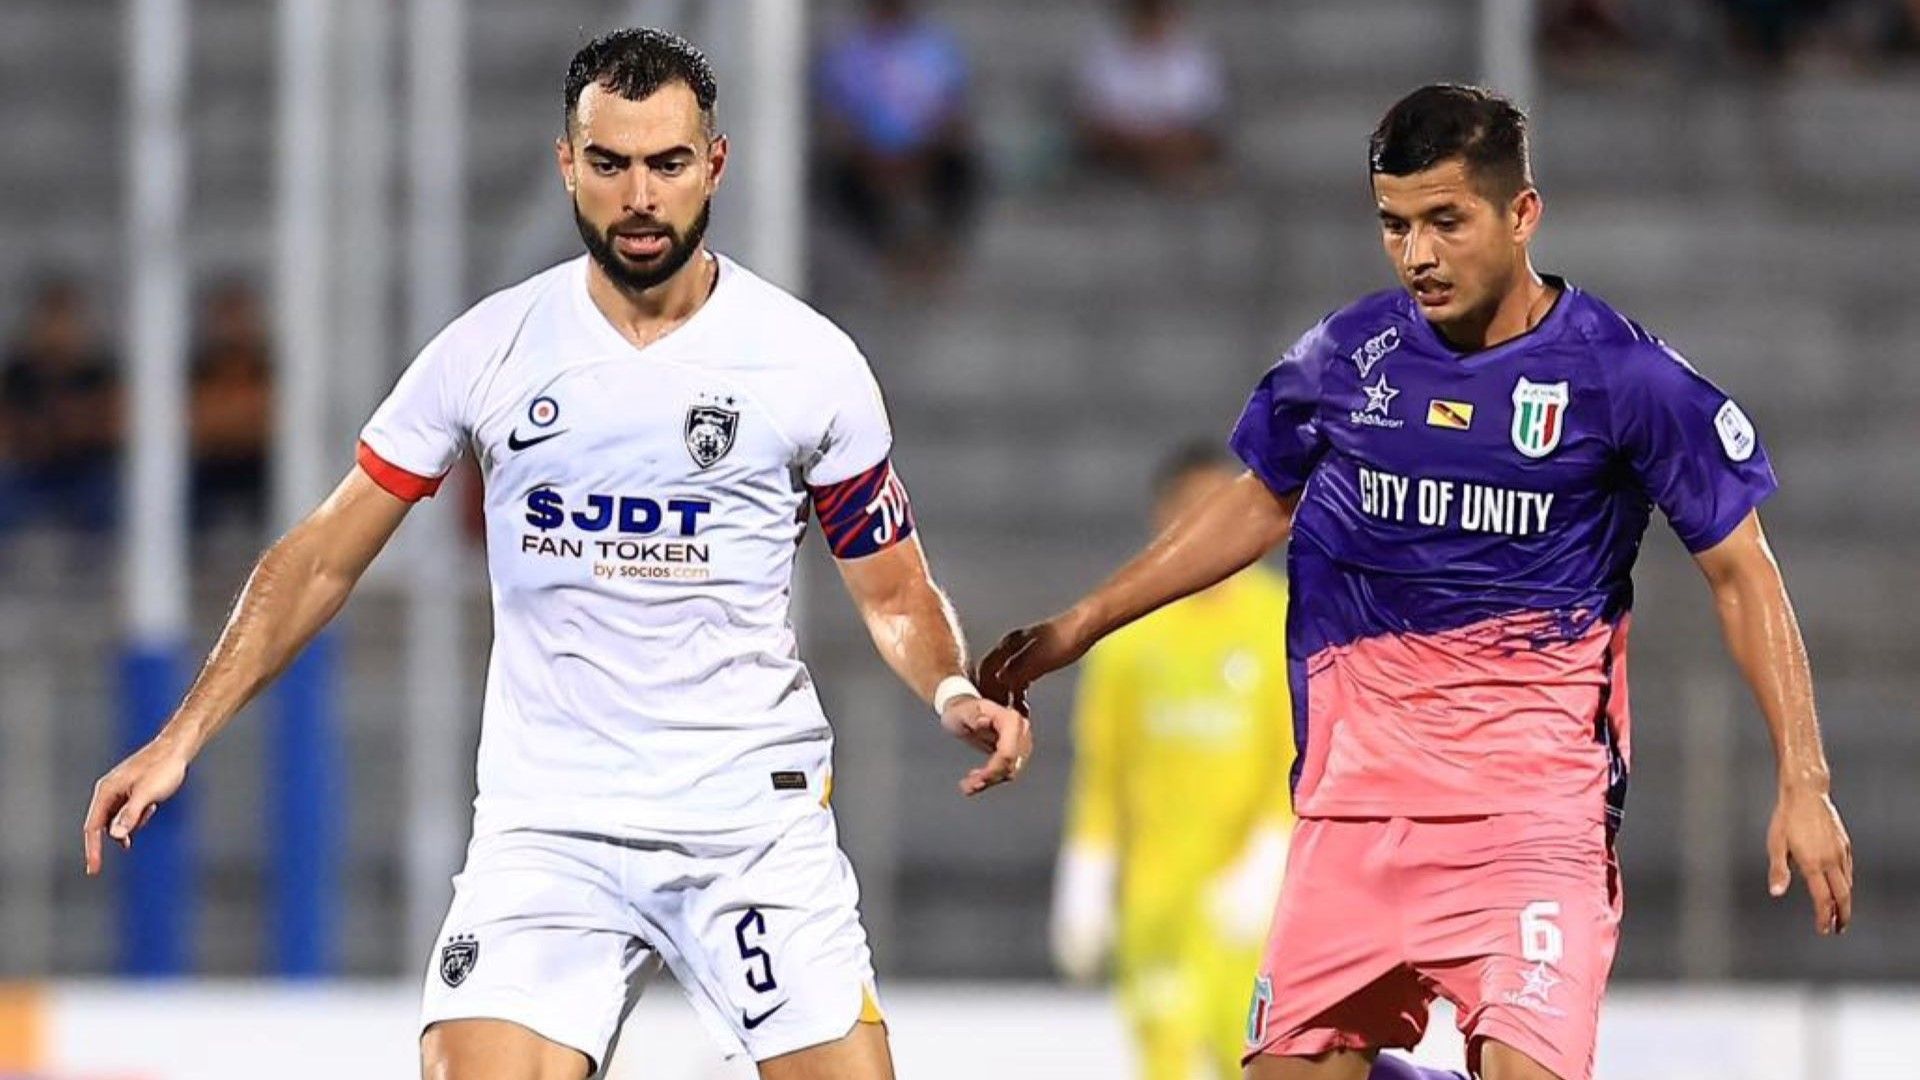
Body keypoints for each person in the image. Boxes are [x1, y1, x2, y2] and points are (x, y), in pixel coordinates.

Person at [83, 28, 1030, 1080]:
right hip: (551, 831)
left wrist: (950, 686)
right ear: (567, 164)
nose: (640, 197)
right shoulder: (488, 349)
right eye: (611, 163)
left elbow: (892, 588)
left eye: (668, 163)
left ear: (715, 164)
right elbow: (318, 558)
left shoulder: (808, 364)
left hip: (747, 828)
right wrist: (180, 735)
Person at [981, 84, 1853, 1080]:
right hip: (1353, 816)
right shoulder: (1349, 358)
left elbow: (1742, 574)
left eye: (1446, 220)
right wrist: (1082, 624)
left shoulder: (1624, 378)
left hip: (1533, 821)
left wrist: (1805, 781)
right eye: (1395, 225)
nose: (1417, 255)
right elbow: (1258, 501)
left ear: (1522, 213)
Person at [1052, 442, 1294, 1080]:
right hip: (1156, 899)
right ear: (1163, 517)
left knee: (1254, 1060)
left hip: (1253, 899)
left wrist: (1267, 860)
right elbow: (1102, 770)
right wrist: (1086, 876)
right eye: (1191, 508)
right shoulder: (1129, 632)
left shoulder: (1279, 620)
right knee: (1165, 1062)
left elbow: (1296, 757)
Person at [816, 0, 980, 273]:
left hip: (926, 149)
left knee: (962, 171)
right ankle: (886, 252)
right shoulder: (850, 52)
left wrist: (922, 150)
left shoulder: (934, 48)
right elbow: (836, 114)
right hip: (866, 154)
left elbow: (953, 109)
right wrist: (870, 152)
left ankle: (939, 248)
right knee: (838, 181)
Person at [0, 277, 121, 532]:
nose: (57, 331)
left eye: (65, 321)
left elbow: (110, 426)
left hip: (85, 473)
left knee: (111, 496)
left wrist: (78, 426)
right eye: (50, 320)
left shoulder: (96, 372)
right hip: (30, 472)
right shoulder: (18, 373)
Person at [1072, 0, 1228, 188]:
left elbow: (1205, 110)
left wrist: (1166, 131)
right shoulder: (1103, 56)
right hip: (1123, 137)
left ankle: (1162, 167)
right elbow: (1093, 110)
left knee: (1193, 141)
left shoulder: (1193, 56)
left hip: (1176, 136)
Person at [188, 278, 273, 530]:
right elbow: (189, 420)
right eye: (227, 316)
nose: (233, 326)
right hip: (209, 470)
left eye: (239, 315)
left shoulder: (266, 365)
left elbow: (278, 417)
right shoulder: (200, 367)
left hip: (257, 468)